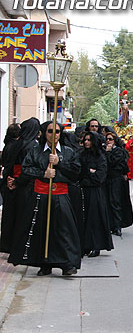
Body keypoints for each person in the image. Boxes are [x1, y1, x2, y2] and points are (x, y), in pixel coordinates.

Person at [8, 121, 82, 275]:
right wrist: (43, 174)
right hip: (40, 195)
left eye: (57, 131)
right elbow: (26, 169)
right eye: (50, 131)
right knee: (41, 229)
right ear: (44, 133)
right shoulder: (35, 151)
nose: (54, 135)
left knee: (64, 229)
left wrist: (59, 163)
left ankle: (67, 263)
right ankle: (44, 263)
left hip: (61, 195)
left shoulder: (68, 152)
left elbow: (75, 173)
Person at [1, 118, 40, 253]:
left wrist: (10, 180)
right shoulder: (32, 146)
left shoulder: (14, 144)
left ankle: (7, 244)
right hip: (25, 184)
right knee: (23, 216)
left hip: (11, 182)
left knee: (10, 215)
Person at [78, 131, 114, 257]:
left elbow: (99, 177)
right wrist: (89, 172)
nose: (86, 142)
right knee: (83, 218)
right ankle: (84, 245)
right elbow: (78, 172)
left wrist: (88, 173)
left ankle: (95, 245)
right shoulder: (81, 155)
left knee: (95, 218)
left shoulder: (100, 157)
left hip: (95, 192)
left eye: (89, 140)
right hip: (83, 190)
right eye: (85, 140)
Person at [104, 130, 133, 237]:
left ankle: (117, 225)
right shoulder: (105, 150)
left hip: (116, 179)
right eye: (106, 139)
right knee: (107, 202)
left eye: (110, 139)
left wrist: (108, 152)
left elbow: (112, 163)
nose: (108, 141)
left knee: (115, 201)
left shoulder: (119, 152)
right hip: (106, 179)